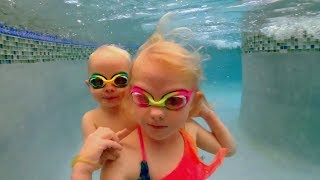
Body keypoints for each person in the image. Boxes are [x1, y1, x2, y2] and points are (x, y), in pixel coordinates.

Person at [72, 15, 236, 179]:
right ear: (132, 97)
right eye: (143, 98)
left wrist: (207, 114)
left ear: (193, 102)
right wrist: (84, 168)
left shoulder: (189, 129)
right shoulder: (123, 161)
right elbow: (97, 157)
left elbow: (228, 150)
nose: (156, 113)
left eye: (173, 100)